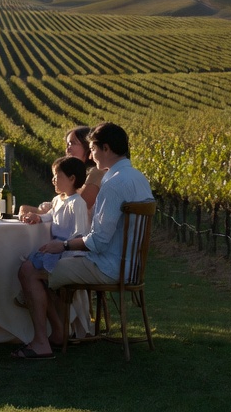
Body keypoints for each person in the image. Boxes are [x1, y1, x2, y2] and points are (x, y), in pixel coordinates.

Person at [13, 122, 153, 359]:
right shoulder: (138, 178)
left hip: (108, 267)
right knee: (42, 265)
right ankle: (59, 333)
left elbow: (97, 241)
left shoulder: (113, 183)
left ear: (106, 148)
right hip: (131, 265)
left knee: (28, 269)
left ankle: (41, 343)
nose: (91, 154)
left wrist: (64, 245)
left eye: (93, 148)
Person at [19, 156, 90, 272]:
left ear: (72, 179)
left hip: (66, 251)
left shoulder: (77, 203)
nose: (53, 180)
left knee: (34, 267)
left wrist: (66, 250)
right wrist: (38, 217)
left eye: (57, 176)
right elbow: (51, 214)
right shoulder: (57, 200)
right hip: (55, 246)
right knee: (29, 263)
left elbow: (80, 232)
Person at [19, 126, 105, 216]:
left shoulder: (95, 173)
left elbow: (79, 207)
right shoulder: (72, 173)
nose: (68, 149)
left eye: (72, 143)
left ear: (87, 146)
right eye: (67, 144)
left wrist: (42, 211)